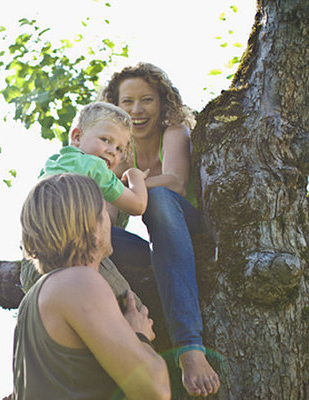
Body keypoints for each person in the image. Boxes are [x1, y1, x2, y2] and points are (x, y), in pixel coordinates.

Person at [100, 62, 220, 397]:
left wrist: (131, 186)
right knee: (91, 236)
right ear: (116, 107)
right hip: (163, 252)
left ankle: (189, 346)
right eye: (127, 102)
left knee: (160, 198)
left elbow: (177, 183)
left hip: (193, 238)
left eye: (146, 100)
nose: (137, 110)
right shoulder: (122, 152)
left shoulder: (174, 129)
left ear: (162, 103)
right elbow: (109, 217)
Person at [13, 173, 170, 400]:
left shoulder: (28, 307)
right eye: (104, 211)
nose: (109, 219)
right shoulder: (79, 282)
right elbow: (156, 390)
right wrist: (138, 335)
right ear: (91, 223)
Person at [19, 102, 150, 309]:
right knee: (130, 308)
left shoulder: (54, 164)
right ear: (77, 137)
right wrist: (135, 176)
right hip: (76, 252)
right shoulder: (93, 166)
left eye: (119, 149)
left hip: (32, 265)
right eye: (105, 140)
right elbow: (138, 205)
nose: (112, 152)